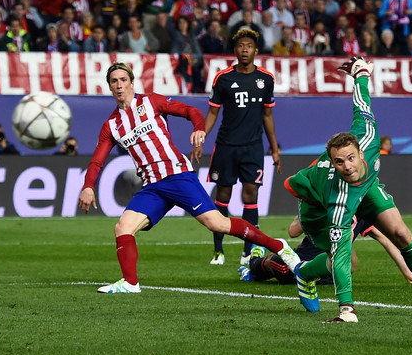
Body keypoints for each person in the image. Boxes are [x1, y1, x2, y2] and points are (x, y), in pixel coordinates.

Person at [78, 62, 300, 293]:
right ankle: (130, 283)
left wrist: (198, 128)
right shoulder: (111, 126)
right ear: (110, 87)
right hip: (152, 186)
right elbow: (96, 161)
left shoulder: (151, 101)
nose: (119, 85)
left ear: (132, 82)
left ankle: (279, 246)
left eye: (123, 80)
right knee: (123, 227)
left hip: (177, 175)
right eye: (114, 81)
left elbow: (190, 111)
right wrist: (88, 186)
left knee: (217, 223)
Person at [285, 56, 412, 322]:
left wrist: (360, 74)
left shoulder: (369, 135)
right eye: (339, 162)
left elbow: (361, 104)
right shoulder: (338, 199)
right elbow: (290, 184)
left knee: (401, 233)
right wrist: (346, 309)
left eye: (351, 158)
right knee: (345, 257)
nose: (347, 166)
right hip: (317, 207)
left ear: (361, 151)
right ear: (332, 162)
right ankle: (304, 272)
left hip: (366, 187)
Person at [190, 29, 281, 266]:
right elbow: (212, 112)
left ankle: (248, 251)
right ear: (235, 50)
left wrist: (274, 148)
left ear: (255, 50)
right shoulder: (223, 78)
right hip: (226, 146)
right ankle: (218, 251)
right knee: (223, 195)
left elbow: (268, 116)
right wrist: (201, 139)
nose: (244, 50)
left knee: (251, 194)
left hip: (252, 148)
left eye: (249, 46)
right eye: (240, 46)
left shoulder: (266, 79)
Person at [239, 216, 412, 286]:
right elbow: (293, 232)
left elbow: (385, 240)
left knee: (343, 271)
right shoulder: (325, 203)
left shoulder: (362, 212)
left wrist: (407, 272)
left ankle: (258, 264)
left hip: (328, 271)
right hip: (299, 261)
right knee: (281, 266)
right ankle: (254, 262)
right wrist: (307, 211)